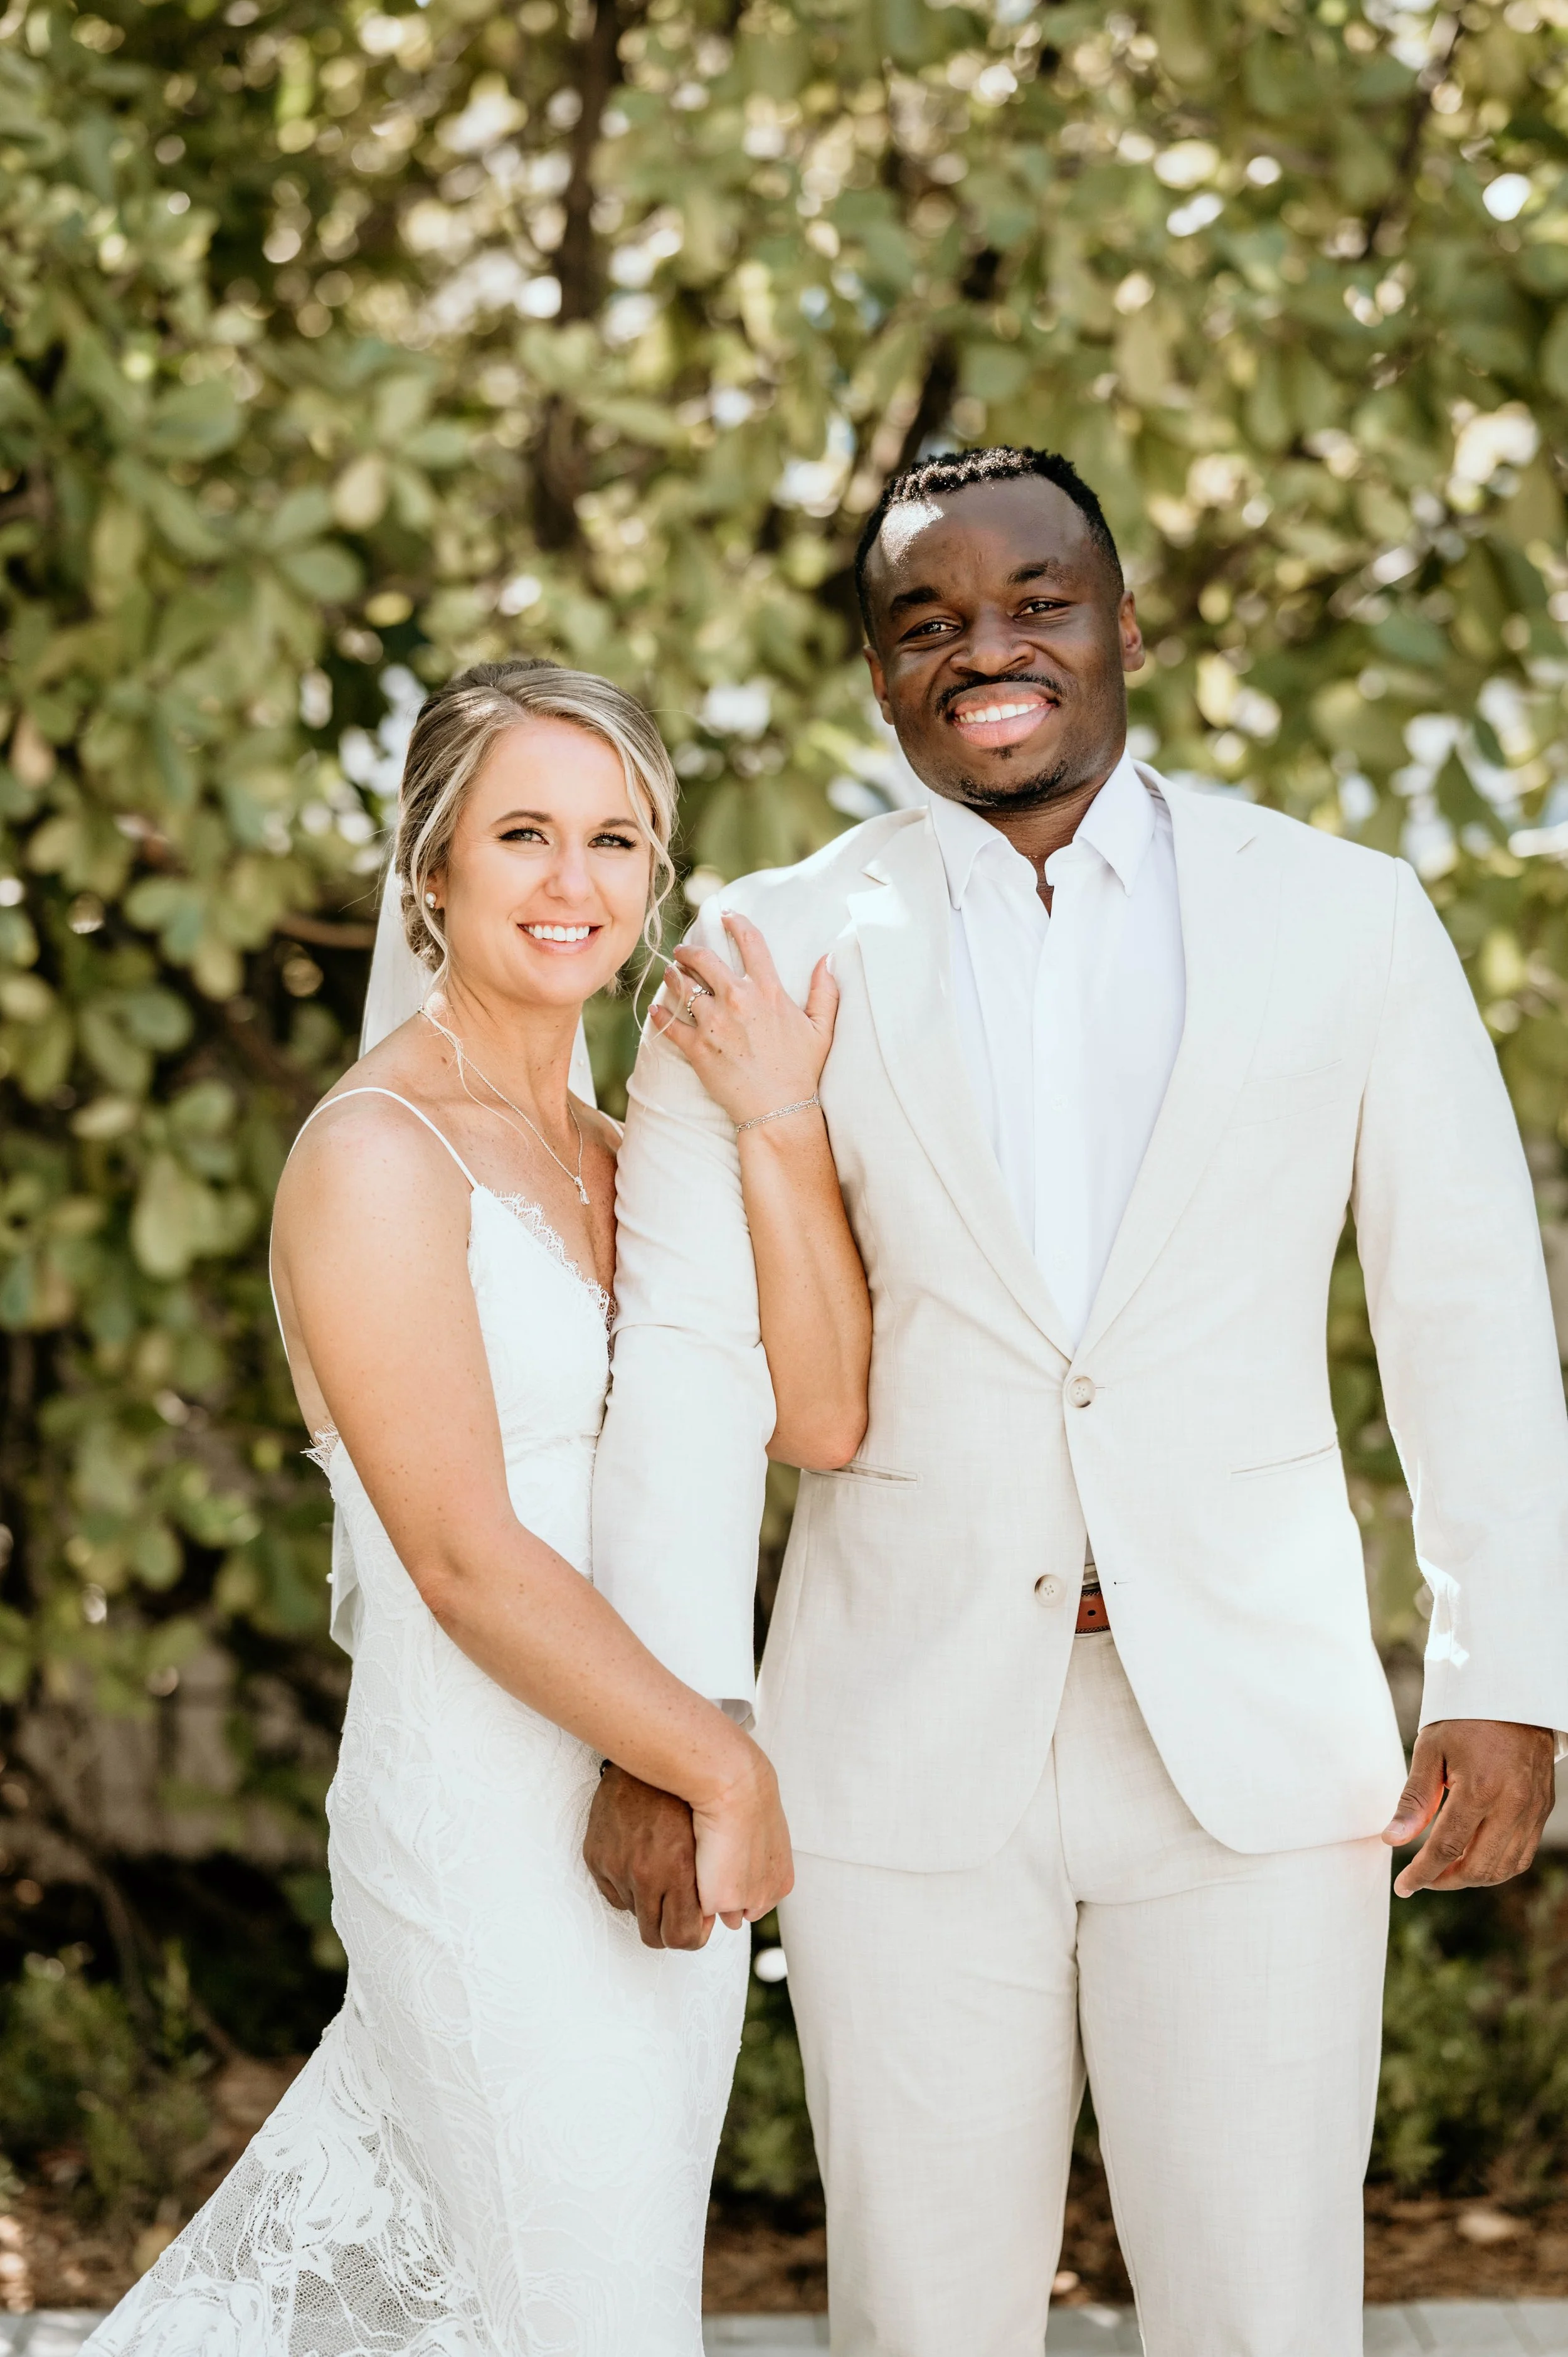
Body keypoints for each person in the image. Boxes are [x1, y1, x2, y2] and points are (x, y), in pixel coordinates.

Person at [586, 446, 1568, 2355]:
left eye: (1035, 599)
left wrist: (1503, 1671)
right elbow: (690, 1359)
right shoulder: (762, 948)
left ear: (1124, 624)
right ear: (881, 679)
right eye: (926, 622)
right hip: (894, 1736)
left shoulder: (1347, 916)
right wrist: (676, 1717)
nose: (988, 646)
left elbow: (1463, 1310)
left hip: (1257, 1737)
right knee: (917, 2312)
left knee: (1266, 2311)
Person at [85, 659, 869, 2357]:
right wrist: (729, 1763)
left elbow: (813, 1413)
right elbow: (456, 1552)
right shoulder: (371, 1155)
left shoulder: (633, 1149)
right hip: (484, 1828)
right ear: (429, 865)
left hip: (655, 1825)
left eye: (616, 840)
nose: (574, 884)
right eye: (523, 833)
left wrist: (779, 1125)